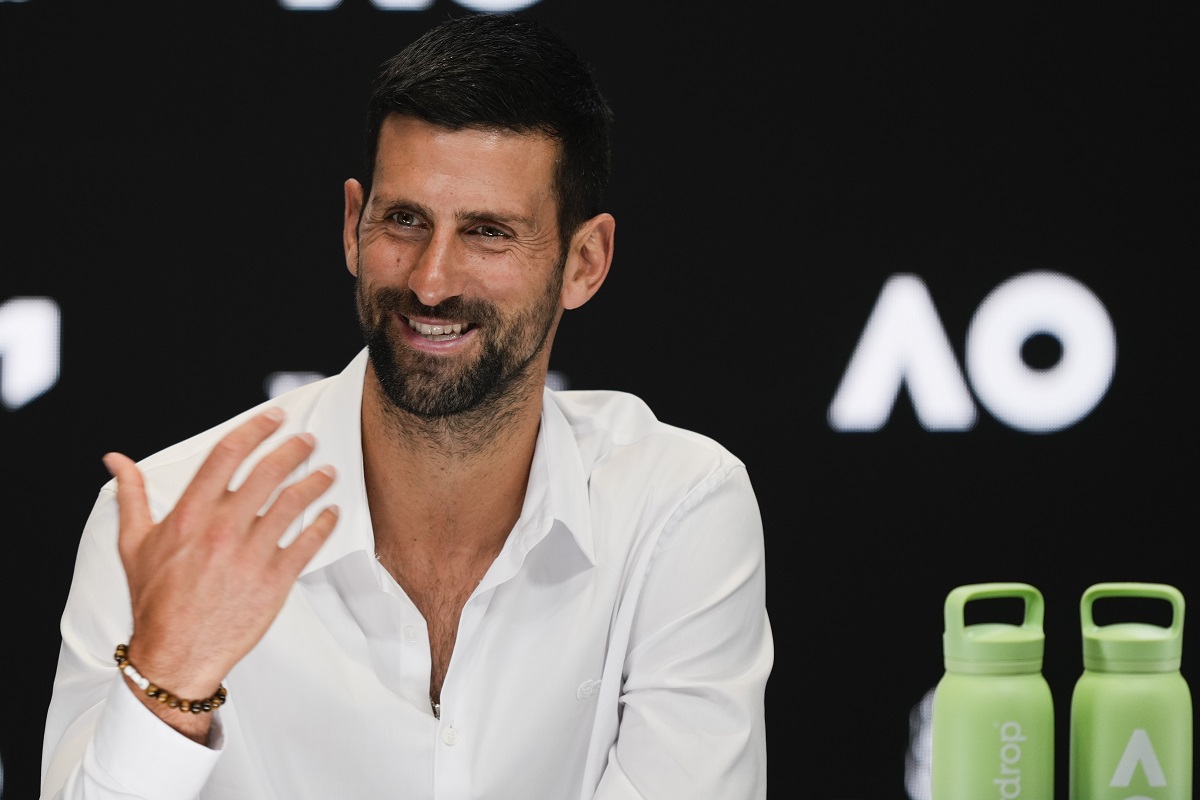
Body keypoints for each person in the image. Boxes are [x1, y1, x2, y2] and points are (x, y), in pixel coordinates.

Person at [40, 11, 772, 800]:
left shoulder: (675, 507)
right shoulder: (166, 521)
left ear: (584, 262)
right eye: (404, 220)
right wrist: (170, 681)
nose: (430, 280)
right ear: (352, 226)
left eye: (488, 232)